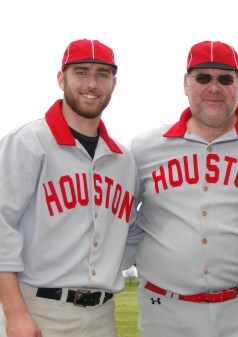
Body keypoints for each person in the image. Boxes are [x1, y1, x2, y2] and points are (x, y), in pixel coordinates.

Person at [122, 40, 238, 337]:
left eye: (225, 79)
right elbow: (118, 216)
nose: (214, 87)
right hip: (165, 311)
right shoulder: (144, 149)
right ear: (186, 84)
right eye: (203, 78)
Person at [0, 38, 139, 337]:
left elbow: (129, 230)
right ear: (61, 78)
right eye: (81, 72)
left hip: (103, 315)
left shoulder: (124, 161)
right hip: (38, 309)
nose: (92, 83)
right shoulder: (28, 141)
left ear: (114, 82)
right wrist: (14, 313)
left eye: (102, 74)